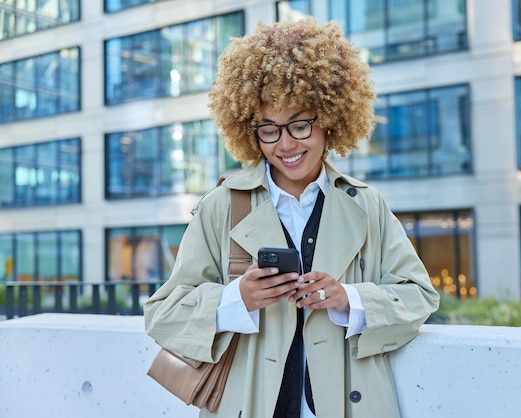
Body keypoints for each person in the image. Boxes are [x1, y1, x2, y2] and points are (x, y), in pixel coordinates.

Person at [144, 17, 440, 418]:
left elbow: (420, 295)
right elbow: (162, 313)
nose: (285, 144)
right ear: (251, 132)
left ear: (329, 119)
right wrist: (237, 298)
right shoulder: (221, 205)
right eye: (268, 130)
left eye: (300, 124)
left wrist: (347, 298)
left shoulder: (367, 205)